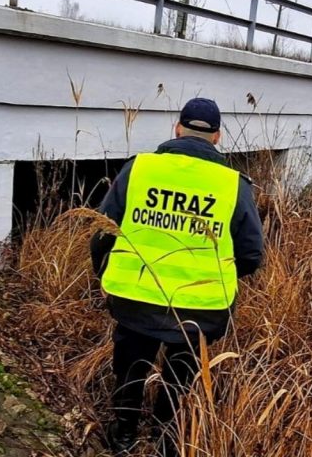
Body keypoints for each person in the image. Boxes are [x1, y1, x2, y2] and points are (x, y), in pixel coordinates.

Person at [90, 98, 264, 455]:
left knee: (132, 364)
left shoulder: (139, 168)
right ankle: (166, 437)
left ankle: (124, 434)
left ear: (177, 128)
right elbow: (250, 254)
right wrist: (216, 277)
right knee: (181, 373)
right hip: (200, 308)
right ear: (216, 137)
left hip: (134, 296)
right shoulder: (234, 184)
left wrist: (105, 271)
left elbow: (102, 231)